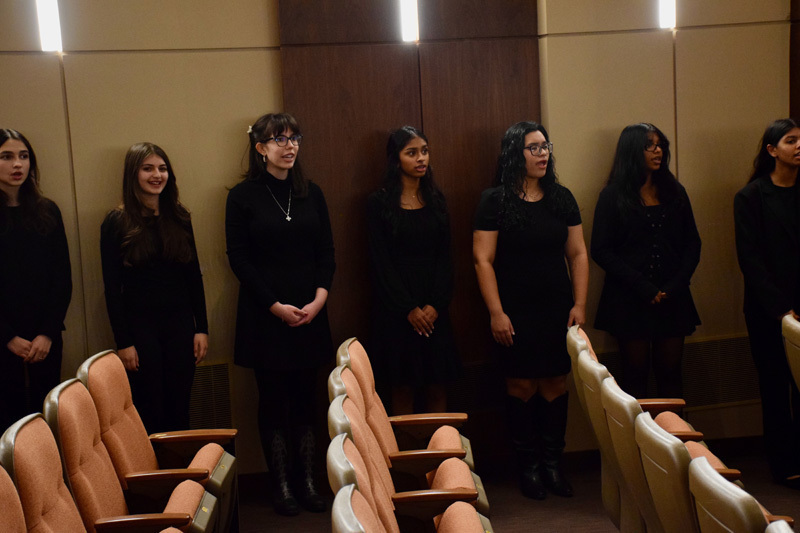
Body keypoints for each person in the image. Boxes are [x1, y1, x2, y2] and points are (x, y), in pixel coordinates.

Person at [226, 113, 334, 516]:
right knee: (273, 401)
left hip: (310, 311)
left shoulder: (313, 193)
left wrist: (320, 299)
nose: (289, 146)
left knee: (307, 399)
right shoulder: (242, 196)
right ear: (260, 148)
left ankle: (308, 481)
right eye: (279, 140)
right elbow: (238, 260)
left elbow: (327, 251)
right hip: (264, 316)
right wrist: (275, 306)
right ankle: (281, 485)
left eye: (294, 139)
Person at [473, 121, 588, 500]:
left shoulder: (562, 197)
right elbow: (483, 260)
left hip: (556, 307)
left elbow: (578, 254)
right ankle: (529, 469)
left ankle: (553, 465)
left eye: (545, 147)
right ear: (514, 154)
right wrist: (496, 312)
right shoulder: (495, 200)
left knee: (556, 381)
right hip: (513, 309)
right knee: (521, 384)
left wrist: (580, 304)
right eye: (533, 148)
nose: (543, 154)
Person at [100, 142, 208, 434]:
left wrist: (202, 328)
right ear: (133, 174)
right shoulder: (116, 222)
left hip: (181, 325)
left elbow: (193, 278)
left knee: (180, 407)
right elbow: (111, 288)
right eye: (148, 168)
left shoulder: (180, 217)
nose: (157, 175)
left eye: (162, 168)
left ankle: (183, 478)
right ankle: (156, 478)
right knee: (150, 409)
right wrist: (123, 342)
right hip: (140, 329)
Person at [591, 123, 701, 400]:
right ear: (632, 151)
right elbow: (601, 250)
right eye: (650, 145)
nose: (658, 150)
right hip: (629, 299)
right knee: (634, 375)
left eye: (660, 144)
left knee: (671, 373)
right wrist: (644, 287)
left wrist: (674, 286)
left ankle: (676, 441)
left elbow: (693, 243)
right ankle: (637, 444)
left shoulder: (675, 191)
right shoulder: (613, 195)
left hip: (673, 297)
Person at [366, 126, 461, 415]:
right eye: (412, 153)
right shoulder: (378, 203)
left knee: (437, 387)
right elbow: (380, 263)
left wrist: (434, 305)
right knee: (402, 389)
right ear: (396, 160)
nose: (421, 159)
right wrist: (409, 309)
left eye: (424, 151)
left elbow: (445, 258)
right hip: (397, 314)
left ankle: (442, 459)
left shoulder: (436, 200)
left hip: (435, 312)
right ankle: (406, 460)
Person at [734, 118, 800, 488]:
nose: (798, 147)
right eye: (791, 141)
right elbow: (750, 259)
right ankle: (785, 464)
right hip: (768, 309)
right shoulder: (751, 197)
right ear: (772, 150)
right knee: (775, 386)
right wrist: (781, 309)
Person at [0, 129, 71, 432]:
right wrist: (7, 337)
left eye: (24, 156)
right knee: (7, 424)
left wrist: (47, 332)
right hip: (4, 338)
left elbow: (62, 278)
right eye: (7, 156)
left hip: (45, 336)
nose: (18, 164)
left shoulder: (47, 211)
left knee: (46, 423)